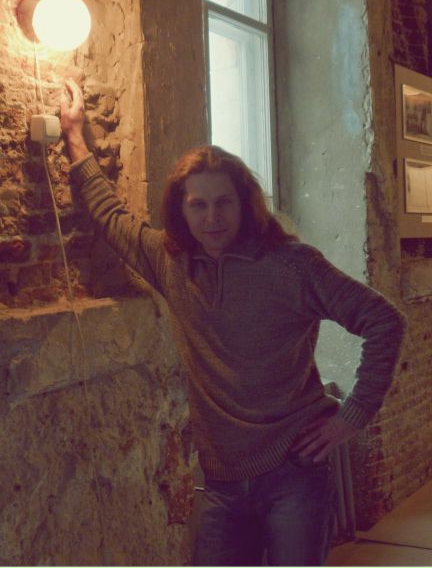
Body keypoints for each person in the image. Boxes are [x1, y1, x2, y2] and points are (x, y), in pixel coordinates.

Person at [60, 79, 406, 566]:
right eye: (198, 204)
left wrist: (352, 417)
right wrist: (74, 135)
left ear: (245, 203)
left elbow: (384, 320)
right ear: (181, 209)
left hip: (295, 472)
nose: (212, 217)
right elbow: (110, 216)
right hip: (221, 482)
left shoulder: (292, 265)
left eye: (224, 202)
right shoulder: (171, 262)